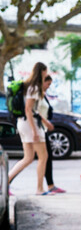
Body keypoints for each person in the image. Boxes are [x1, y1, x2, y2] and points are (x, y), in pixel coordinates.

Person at [8, 62, 49, 195]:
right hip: (30, 125)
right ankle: (39, 188)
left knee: (28, 157)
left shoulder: (27, 86)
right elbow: (28, 109)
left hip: (23, 123)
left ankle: (5, 182)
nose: (46, 74)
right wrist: (35, 131)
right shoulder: (34, 88)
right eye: (45, 71)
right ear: (41, 71)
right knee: (43, 156)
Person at [37, 75, 66, 194]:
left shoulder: (42, 94)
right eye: (48, 84)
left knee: (45, 158)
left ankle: (50, 185)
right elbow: (34, 112)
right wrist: (46, 122)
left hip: (42, 130)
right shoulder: (37, 94)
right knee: (32, 158)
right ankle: (8, 181)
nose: (49, 87)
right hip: (38, 130)